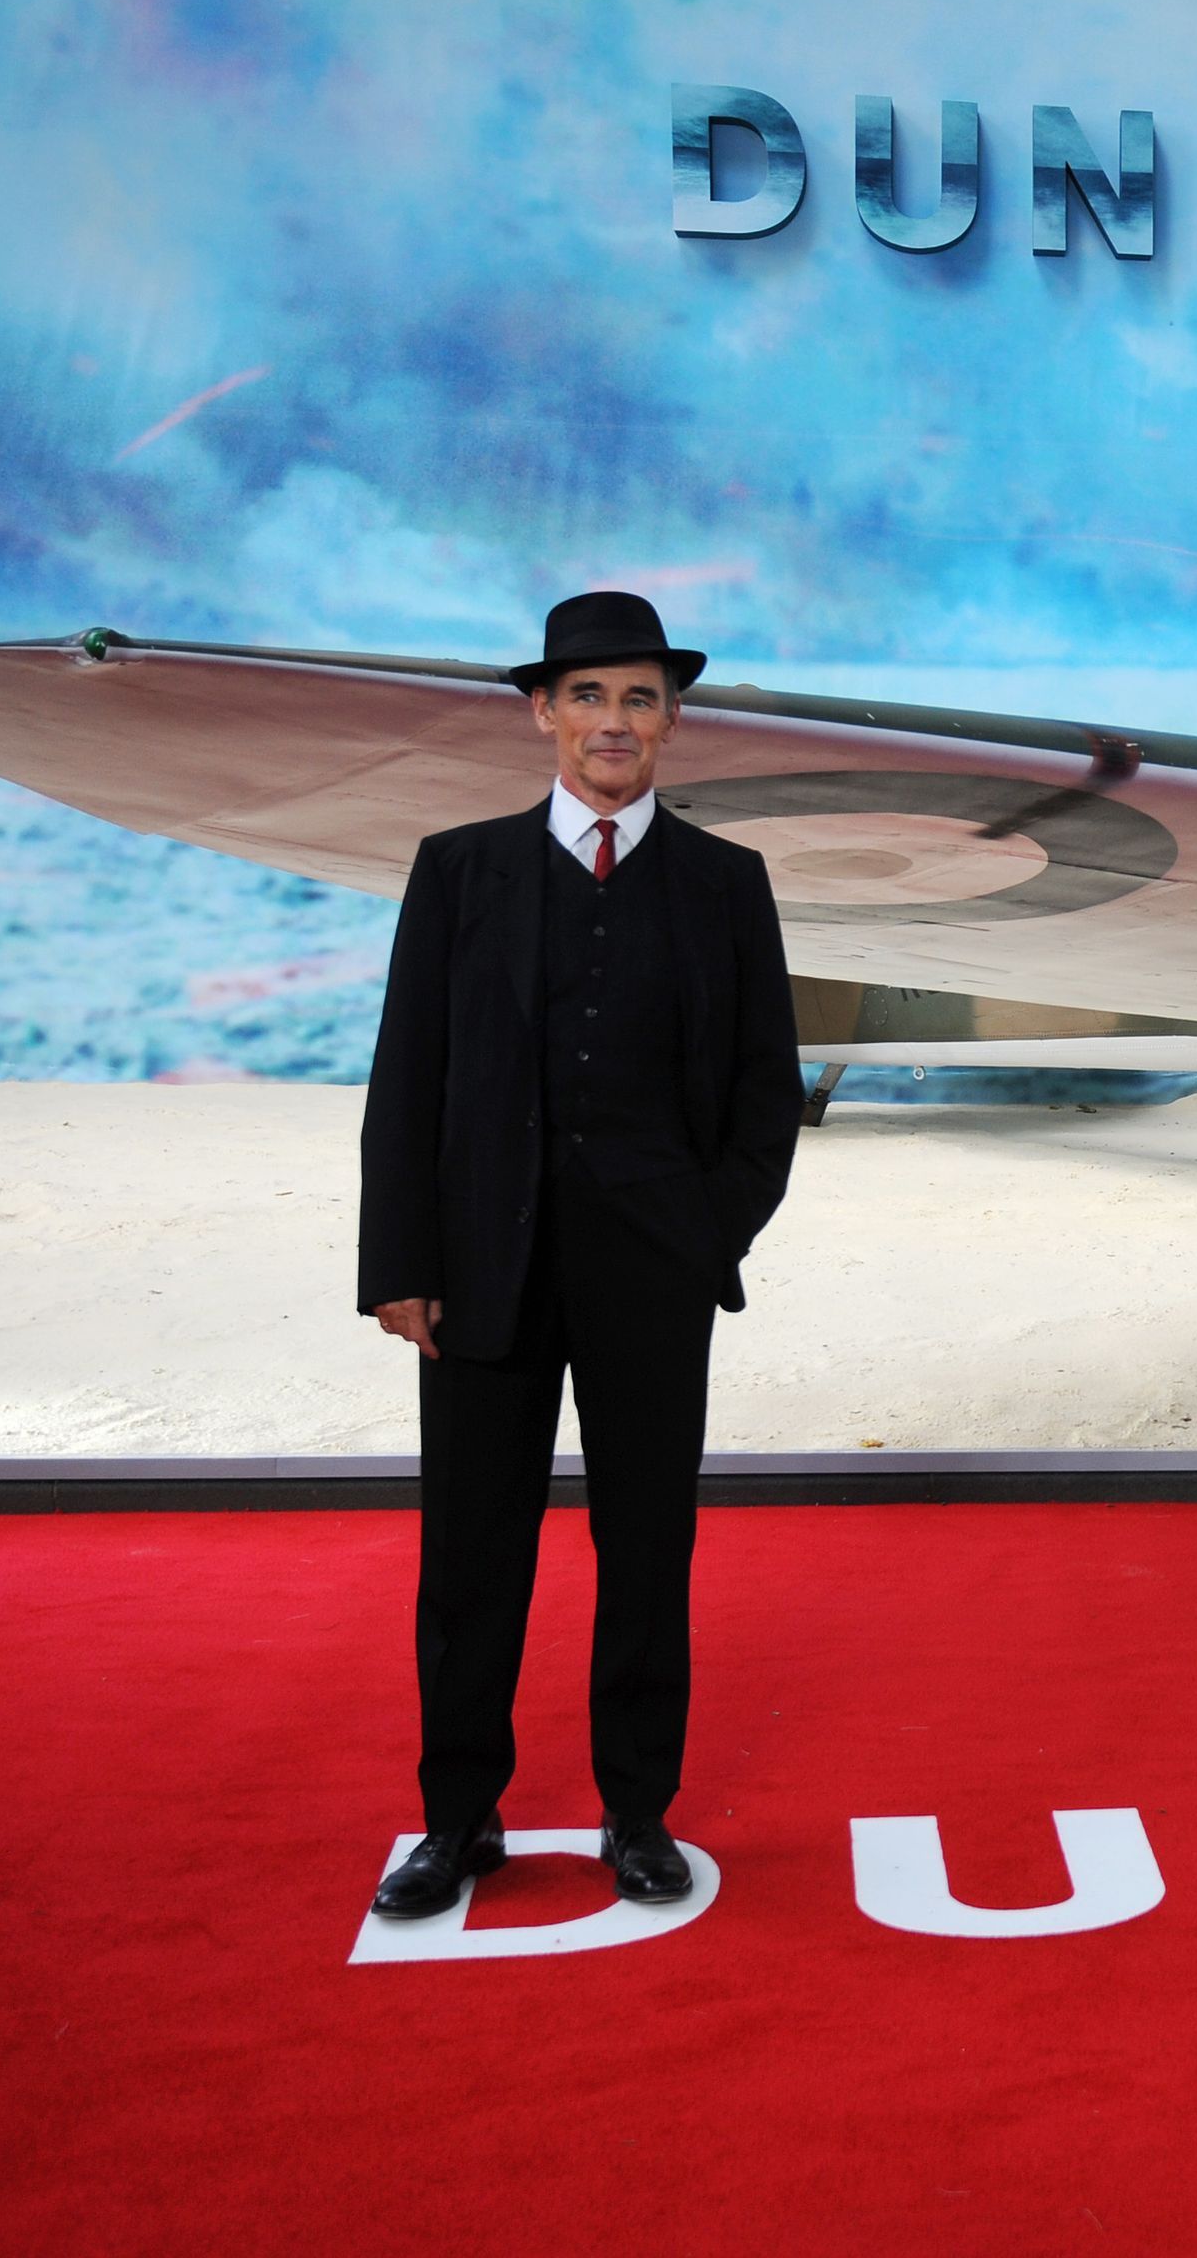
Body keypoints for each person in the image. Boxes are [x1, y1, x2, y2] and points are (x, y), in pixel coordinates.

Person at [358, 590, 804, 1921]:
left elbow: (762, 1091)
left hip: (652, 1275)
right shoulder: (459, 869)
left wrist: (703, 1235)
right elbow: (407, 1079)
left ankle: (639, 1810)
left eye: (642, 697)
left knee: (646, 1545)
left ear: (672, 720)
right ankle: (456, 1818)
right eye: (591, 695)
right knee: (471, 1548)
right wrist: (401, 1262)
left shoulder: (730, 882)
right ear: (542, 710)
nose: (616, 720)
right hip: (482, 1269)